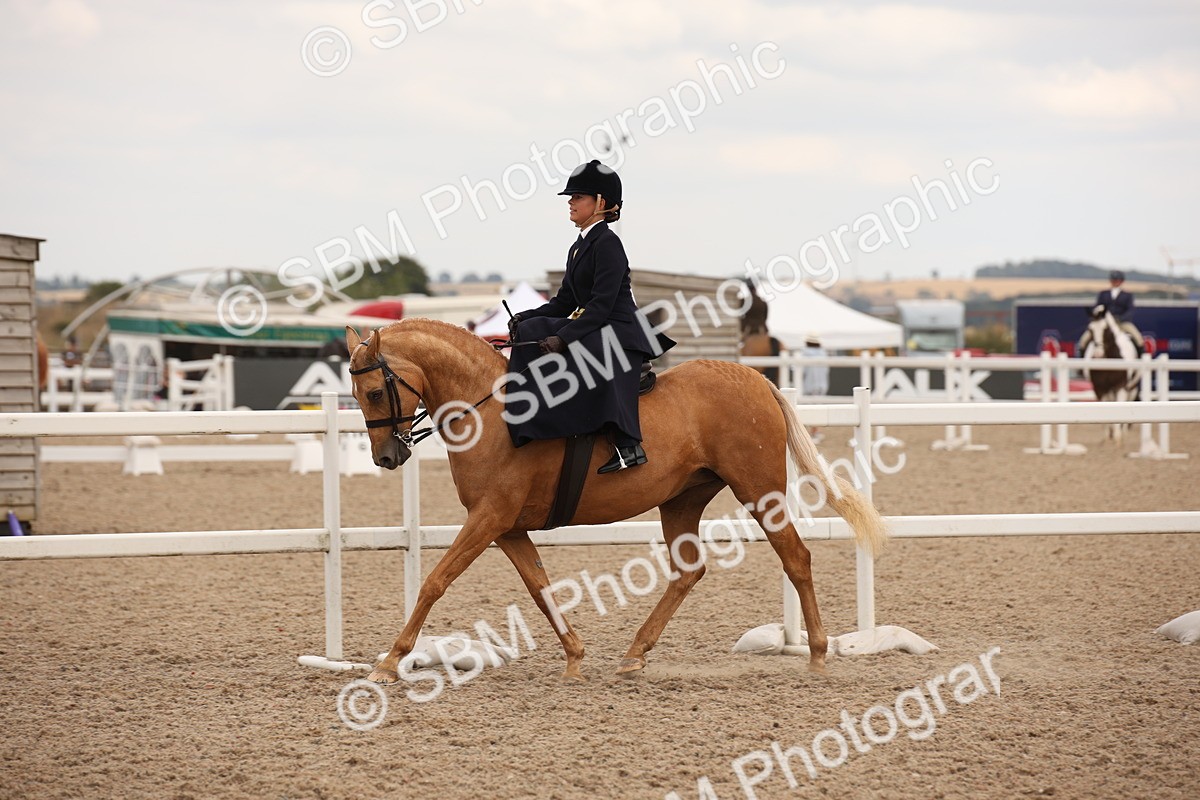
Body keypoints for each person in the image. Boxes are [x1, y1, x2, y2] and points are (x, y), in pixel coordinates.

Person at [507, 160, 674, 474]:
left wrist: (563, 338)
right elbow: (564, 301)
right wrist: (525, 316)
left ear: (600, 203)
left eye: (578, 197)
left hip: (619, 328)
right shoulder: (578, 246)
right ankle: (530, 419)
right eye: (571, 197)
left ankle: (628, 445)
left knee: (566, 342)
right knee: (532, 329)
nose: (570, 202)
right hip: (598, 322)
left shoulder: (608, 244)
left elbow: (600, 306)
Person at [1093, 270, 1144, 351]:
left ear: (1121, 281)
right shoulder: (1103, 294)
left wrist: (1120, 318)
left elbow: (1130, 310)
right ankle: (1082, 355)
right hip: (1105, 323)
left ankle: (1141, 355)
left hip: (1122, 323)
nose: (1115, 282)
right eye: (1113, 280)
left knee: (1138, 338)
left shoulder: (1127, 295)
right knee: (1084, 339)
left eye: (1117, 280)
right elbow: (1097, 307)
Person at [801, 333, 829, 443]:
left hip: (808, 384)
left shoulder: (805, 353)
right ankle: (815, 431)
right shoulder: (823, 354)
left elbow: (802, 371)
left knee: (806, 408)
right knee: (818, 407)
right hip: (821, 384)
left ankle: (808, 433)